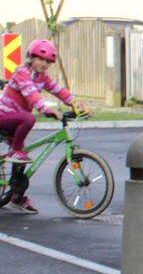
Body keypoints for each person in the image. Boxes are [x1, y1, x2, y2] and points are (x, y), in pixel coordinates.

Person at [0, 39, 88, 214]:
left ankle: (17, 196)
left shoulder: (42, 78)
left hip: (17, 120)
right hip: (4, 117)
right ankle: (15, 150)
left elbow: (59, 91)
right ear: (30, 57)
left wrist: (76, 104)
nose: (44, 64)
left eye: (48, 61)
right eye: (40, 59)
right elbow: (31, 95)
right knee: (29, 119)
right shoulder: (21, 73)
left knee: (22, 160)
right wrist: (46, 110)